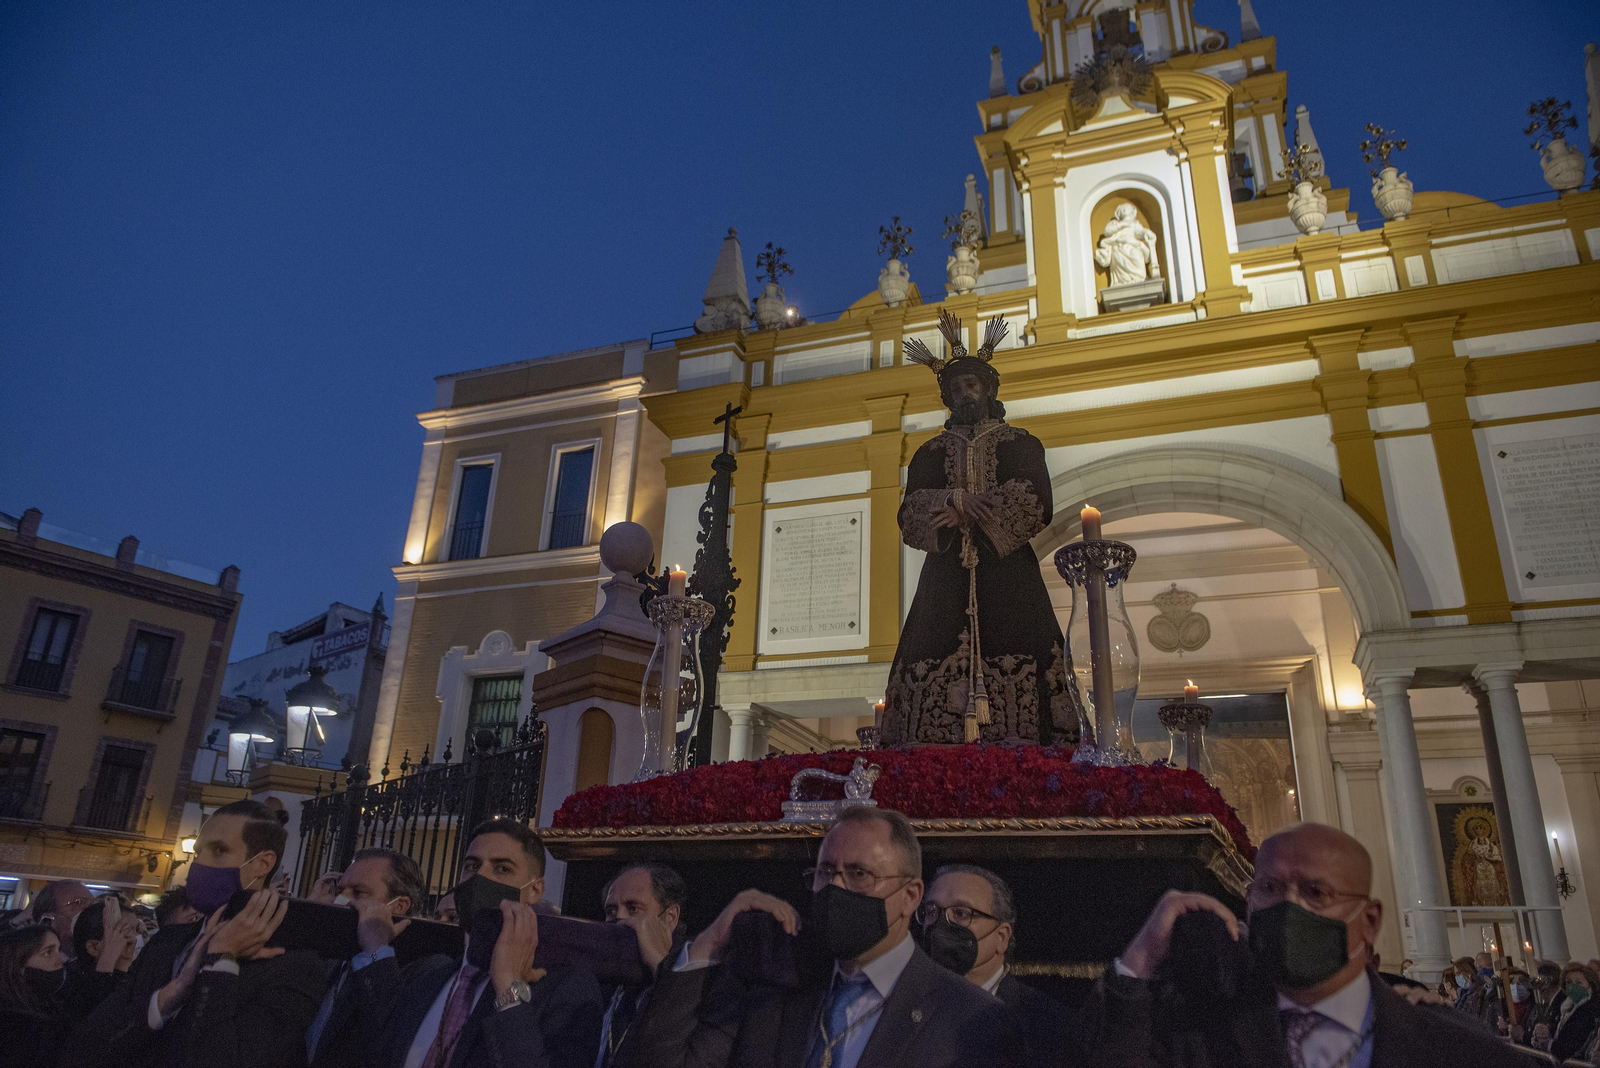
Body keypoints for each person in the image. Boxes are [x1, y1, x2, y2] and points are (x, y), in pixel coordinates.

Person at [1088, 821, 1542, 1067]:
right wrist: (1139, 959)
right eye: (1269, 889)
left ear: (1369, 921)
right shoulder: (1194, 1038)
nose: (1290, 909)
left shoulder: (1457, 1050)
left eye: (1316, 893)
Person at [623, 804, 1016, 1068]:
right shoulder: (776, 985)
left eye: (859, 874)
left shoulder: (968, 1016)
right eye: (825, 872)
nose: (836, 888)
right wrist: (707, 944)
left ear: (910, 896)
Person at [885, 310, 1083, 746]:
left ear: (989, 390)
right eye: (956, 388)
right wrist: (953, 502)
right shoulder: (928, 453)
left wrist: (977, 512)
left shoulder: (1020, 444)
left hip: (1008, 574)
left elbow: (1036, 498)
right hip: (944, 578)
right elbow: (909, 513)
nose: (965, 393)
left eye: (972, 385)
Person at [63, 798, 328, 1068]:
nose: (200, 864)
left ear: (262, 863)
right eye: (198, 852)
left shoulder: (295, 966)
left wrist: (221, 961)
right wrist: (168, 997)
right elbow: (87, 1044)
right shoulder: (167, 941)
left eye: (219, 850)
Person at [345, 816, 602, 1068]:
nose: (480, 876)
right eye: (471, 865)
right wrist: (375, 947)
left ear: (534, 890)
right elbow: (383, 1044)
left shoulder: (566, 986)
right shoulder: (432, 977)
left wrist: (508, 987)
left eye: (502, 868)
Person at [920, 864, 1071, 1067]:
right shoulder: (904, 1007)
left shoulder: (1047, 1024)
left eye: (961, 913)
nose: (941, 924)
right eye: (931, 911)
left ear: (1001, 937)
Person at [306, 846, 426, 1068]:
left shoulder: (420, 971)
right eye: (340, 891)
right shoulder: (333, 958)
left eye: (359, 893)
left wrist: (375, 949)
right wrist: (311, 915)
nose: (342, 900)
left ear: (399, 906)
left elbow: (391, 1039)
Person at [597, 862, 689, 1068]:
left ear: (670, 917)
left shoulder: (695, 979)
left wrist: (659, 964)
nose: (620, 918)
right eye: (611, 911)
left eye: (633, 909)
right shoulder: (599, 978)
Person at [0, 925, 72, 1067]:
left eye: (59, 950)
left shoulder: (49, 1005)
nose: (62, 958)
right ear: (18, 966)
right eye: (48, 952)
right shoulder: (16, 1028)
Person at [1550, 962, 1599, 1063]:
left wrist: (1549, 1044)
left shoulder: (1591, 1010)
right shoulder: (1565, 1009)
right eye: (1569, 982)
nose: (1573, 986)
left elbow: (1573, 1044)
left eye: (1578, 982)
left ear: (1590, 985)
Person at [30, 879, 94, 953]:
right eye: (79, 902)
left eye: (92, 903)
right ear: (48, 921)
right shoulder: (32, 958)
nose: (90, 909)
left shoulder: (97, 955)